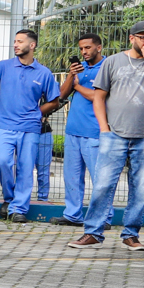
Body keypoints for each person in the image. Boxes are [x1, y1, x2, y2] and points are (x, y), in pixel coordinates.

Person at [70, 21, 144, 252]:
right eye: (143, 37)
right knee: (103, 185)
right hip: (114, 134)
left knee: (140, 188)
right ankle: (93, 232)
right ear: (131, 38)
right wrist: (104, 128)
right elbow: (98, 97)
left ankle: (131, 234)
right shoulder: (113, 61)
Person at [0, 29, 61, 223]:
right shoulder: (3, 67)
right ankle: (10, 198)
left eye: (20, 41)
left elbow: (54, 100)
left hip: (30, 128)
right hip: (4, 126)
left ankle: (18, 209)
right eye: (15, 41)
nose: (15, 45)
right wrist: (0, 109)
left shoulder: (44, 73)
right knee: (1, 162)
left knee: (26, 168)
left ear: (32, 45)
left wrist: (38, 113)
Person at [53, 32, 105, 227]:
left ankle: (103, 218)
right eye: (81, 48)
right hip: (73, 131)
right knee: (72, 177)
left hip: (94, 132)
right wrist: (72, 75)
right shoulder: (79, 69)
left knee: (100, 179)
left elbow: (98, 97)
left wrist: (78, 87)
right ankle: (72, 215)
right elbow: (61, 95)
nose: (84, 52)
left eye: (88, 48)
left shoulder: (107, 67)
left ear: (98, 47)